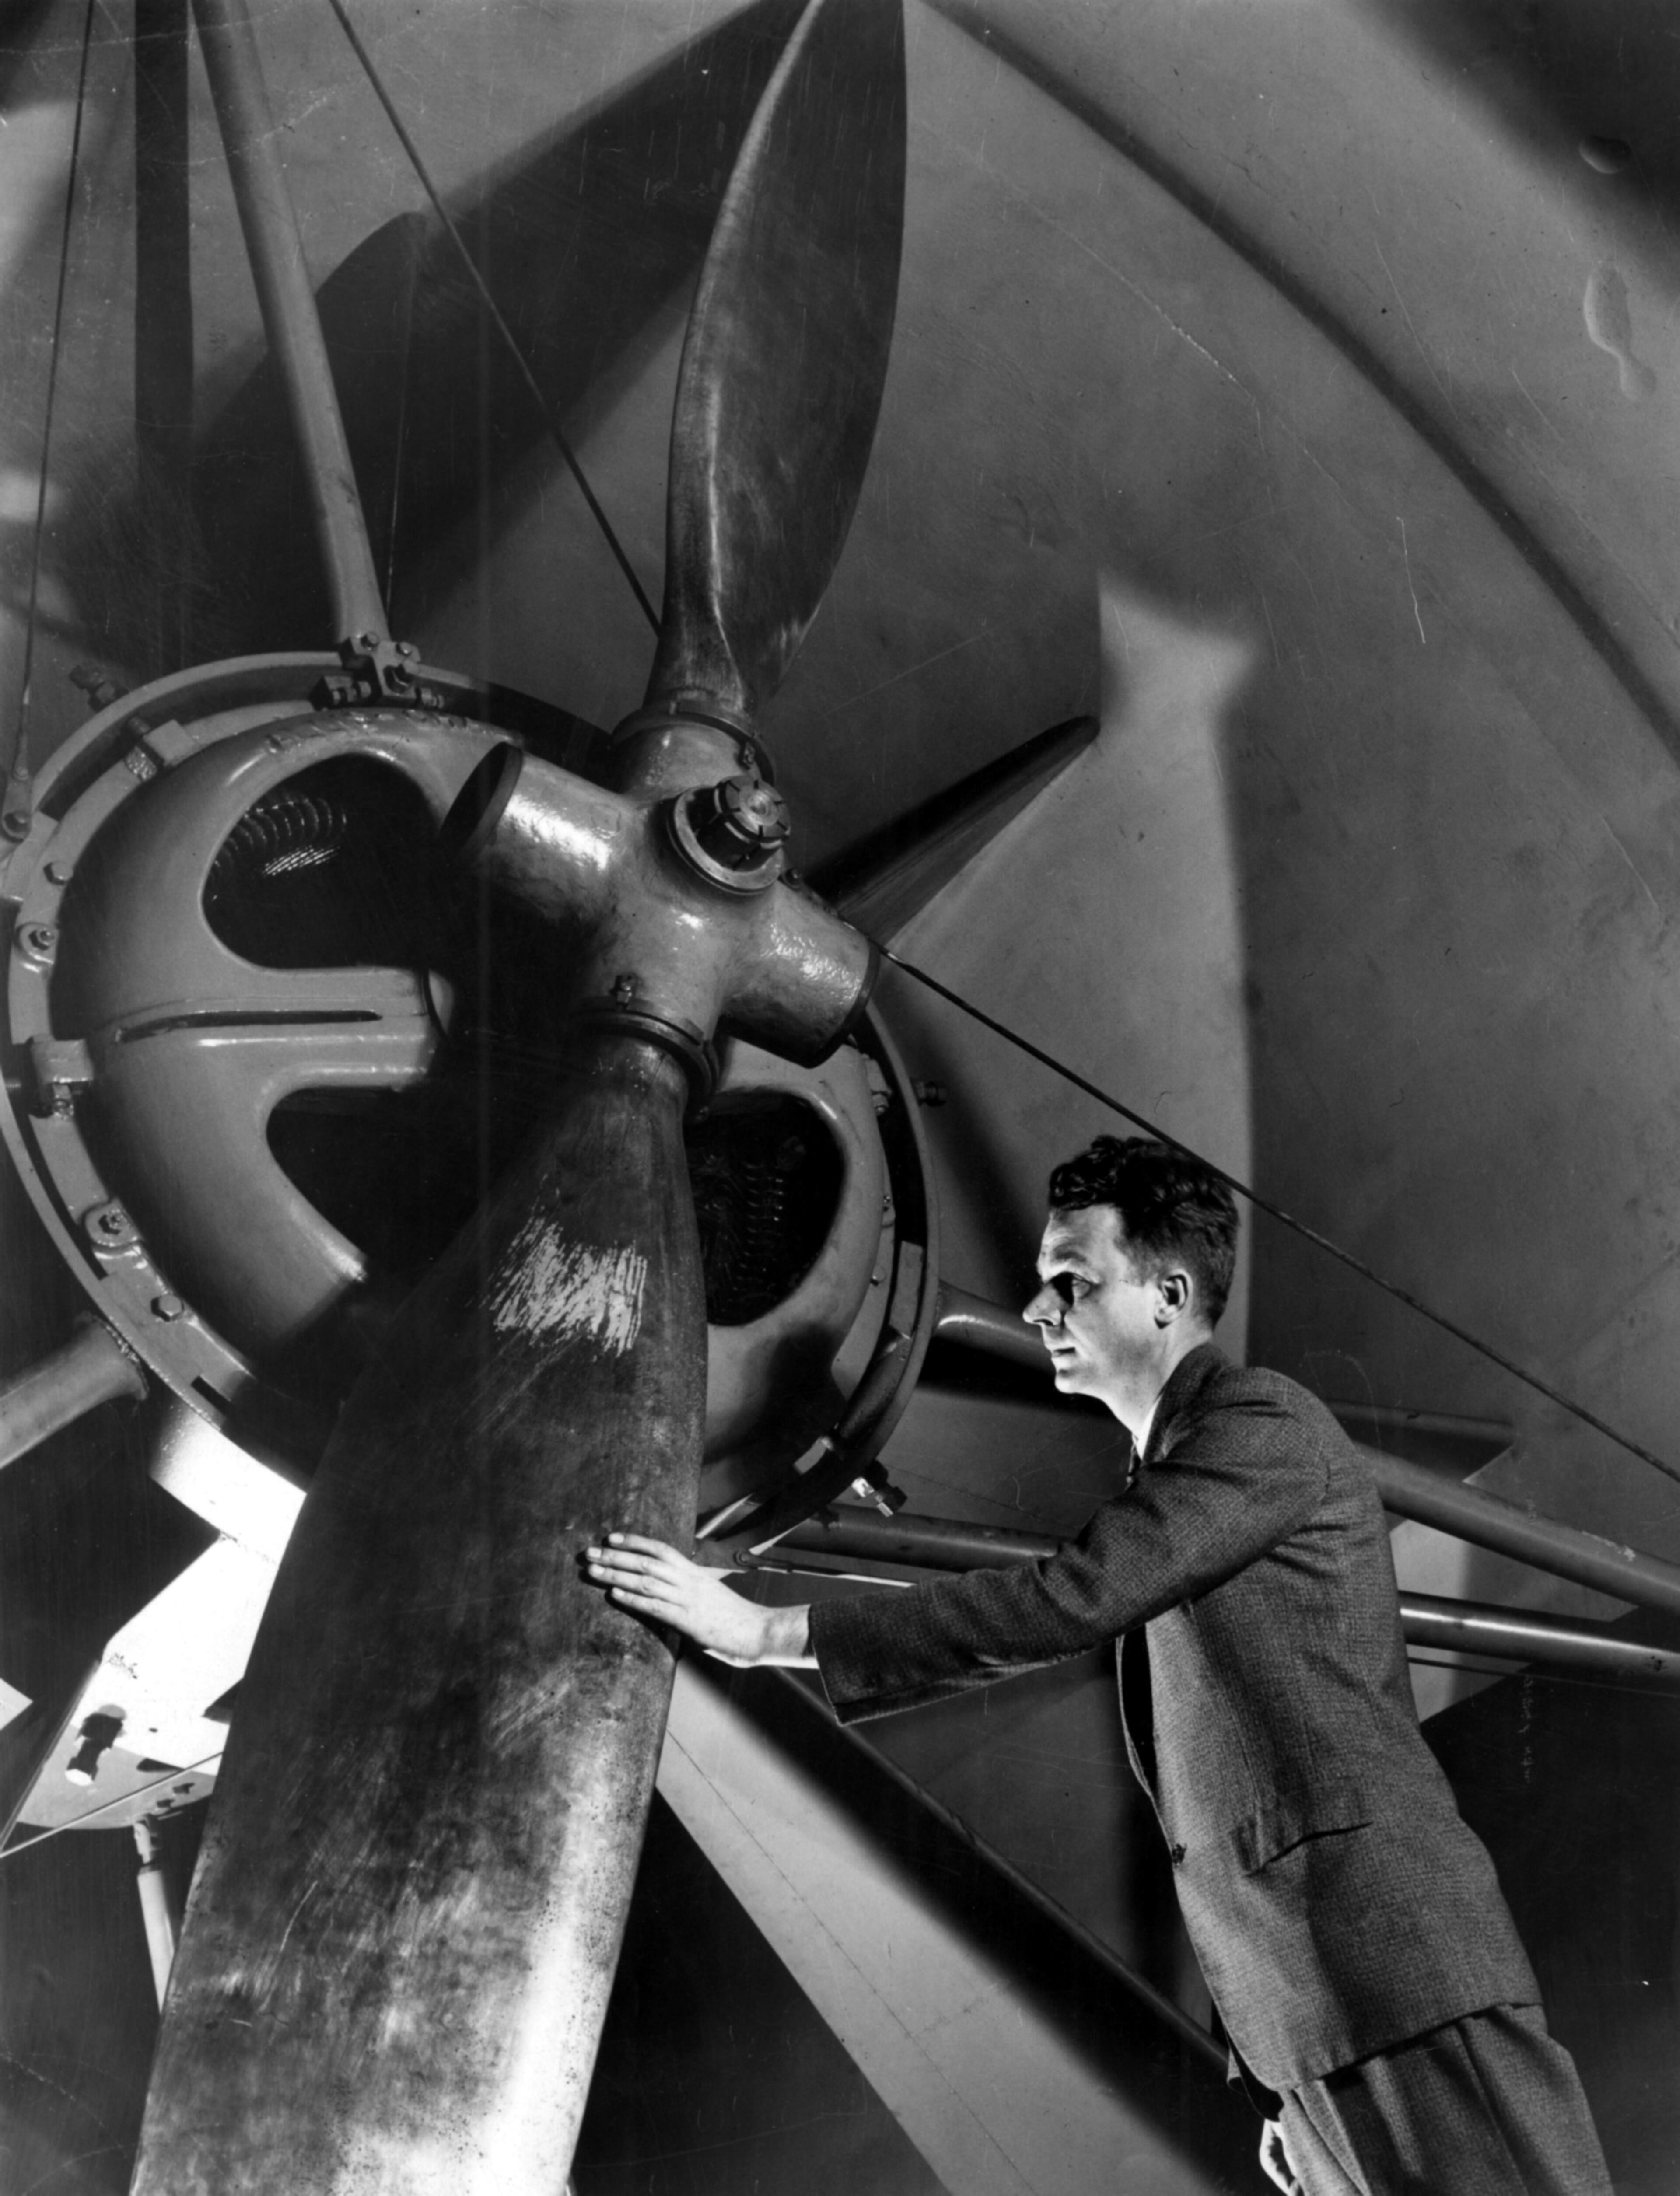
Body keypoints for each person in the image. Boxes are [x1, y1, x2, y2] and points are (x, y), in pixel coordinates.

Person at [586, 1134, 1613, 2196]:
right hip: (1315, 2028)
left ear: (1168, 1294)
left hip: (1398, 1987)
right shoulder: (1180, 1470)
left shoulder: (1258, 1426)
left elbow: (1070, 1596)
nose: (1040, 1312)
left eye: (1072, 1282)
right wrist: (1276, 2086)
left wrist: (766, 1632)